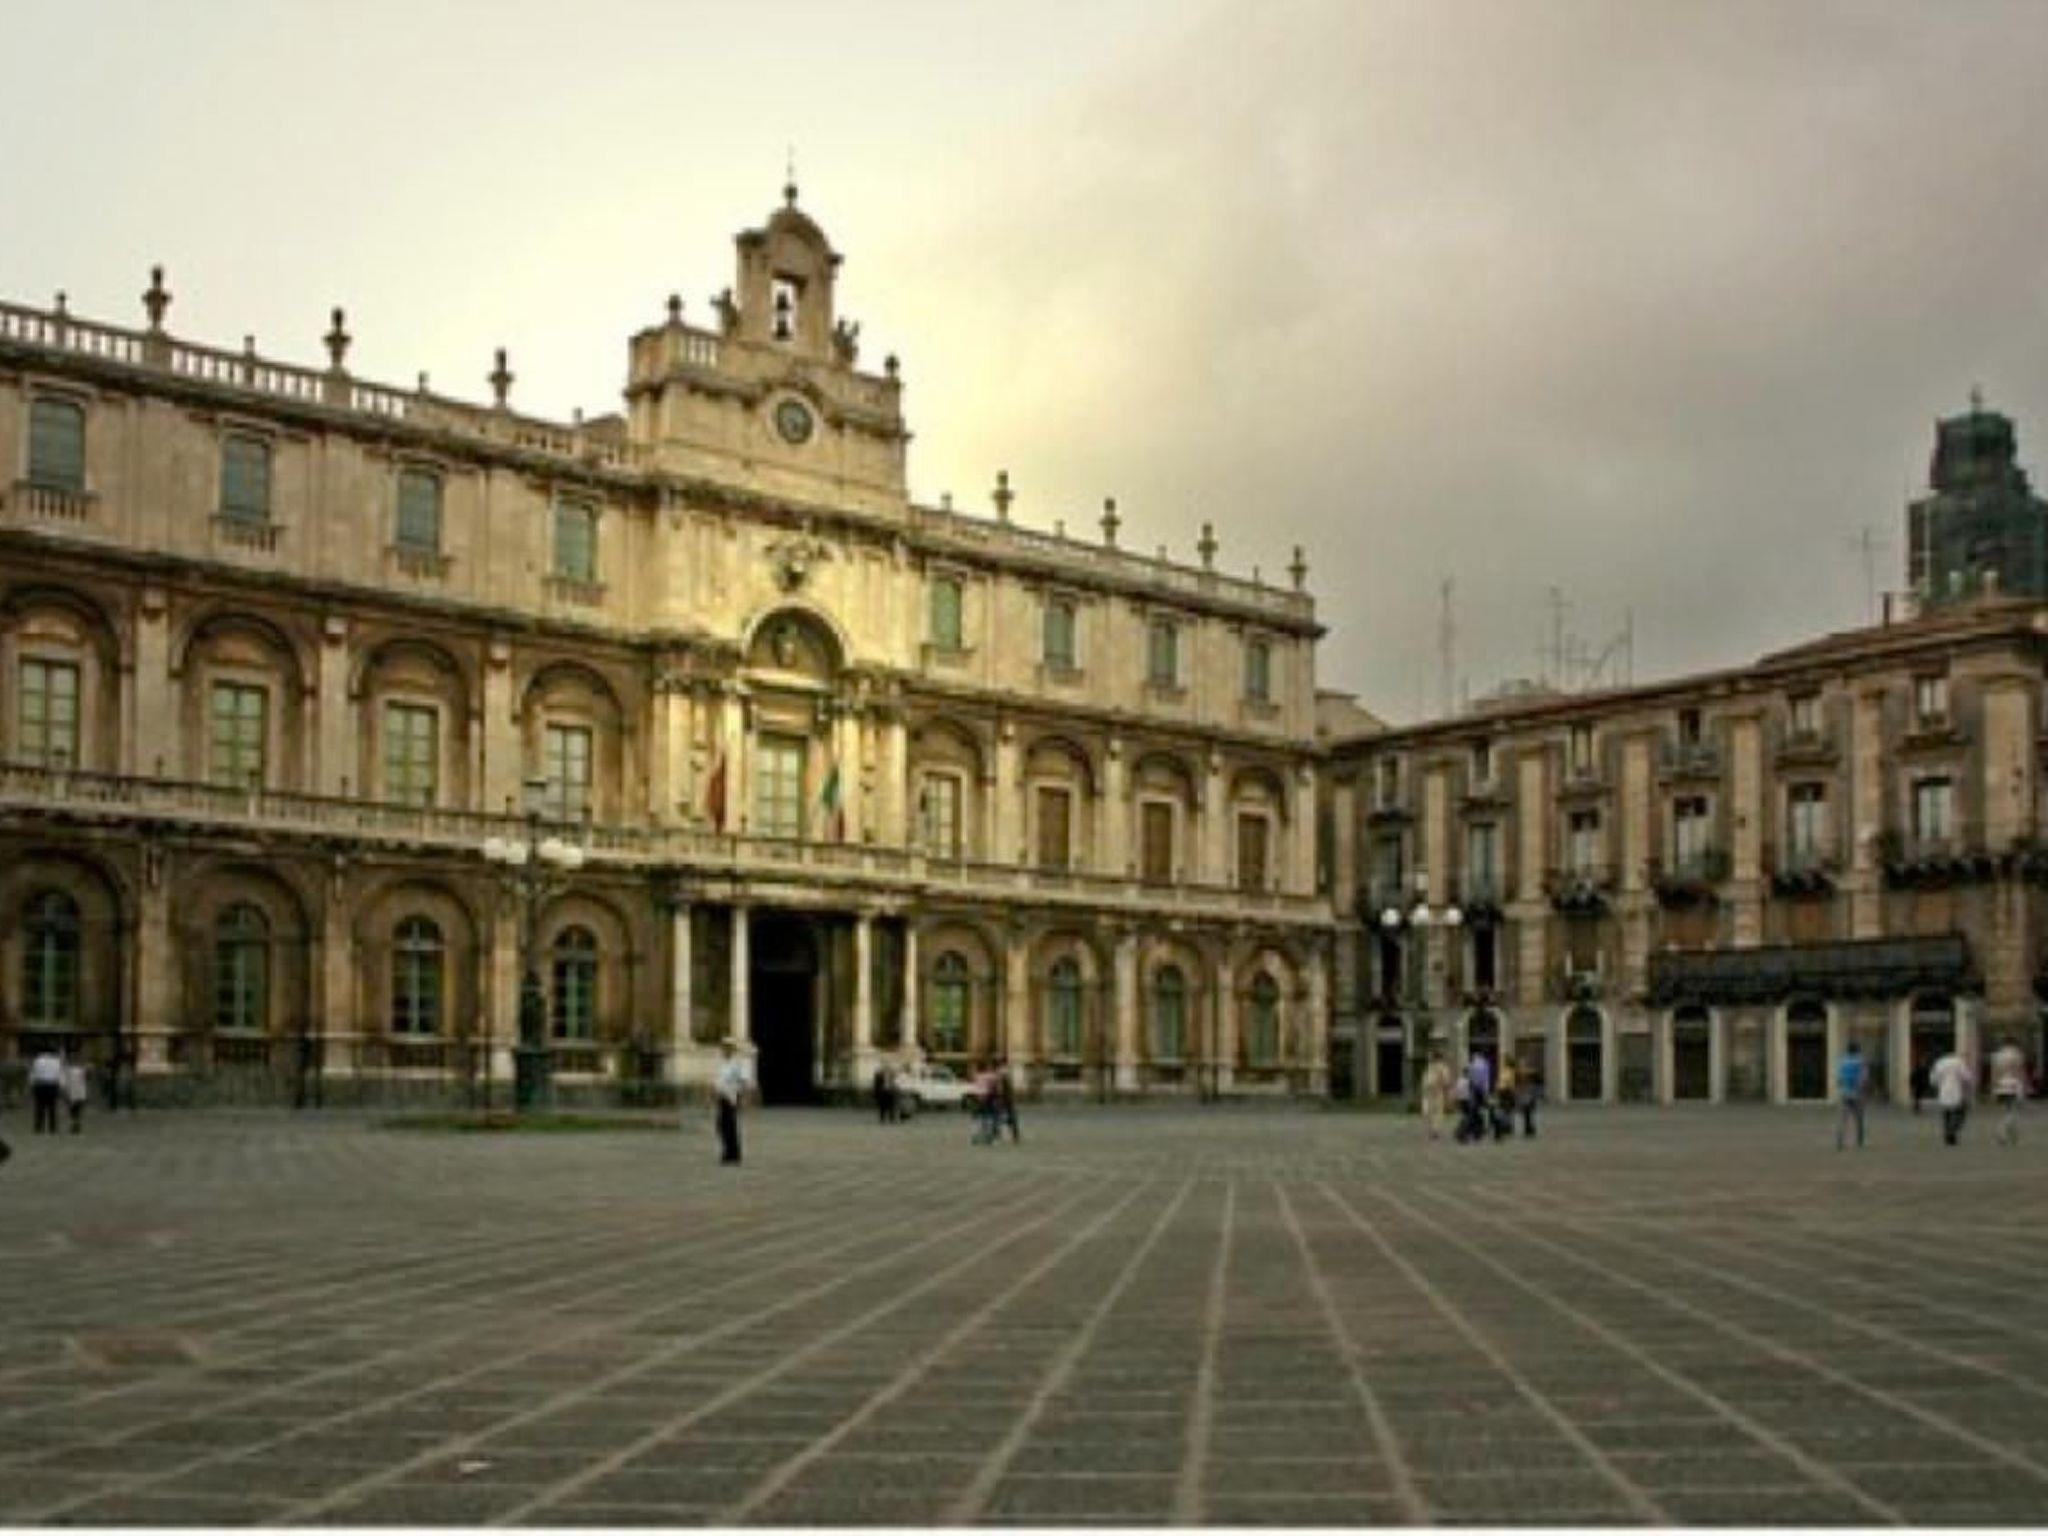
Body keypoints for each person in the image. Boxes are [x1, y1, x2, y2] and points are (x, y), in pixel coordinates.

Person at [714, 1038, 751, 1165]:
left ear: (732, 1049)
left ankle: (734, 1155)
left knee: (731, 1127)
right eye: (723, 1048)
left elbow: (744, 1080)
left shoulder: (737, 1063)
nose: (724, 1050)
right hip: (722, 1097)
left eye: (727, 1048)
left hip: (732, 1097)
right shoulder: (722, 1063)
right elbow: (719, 1081)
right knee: (721, 1126)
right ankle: (726, 1151)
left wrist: (742, 1097)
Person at [1929, 1045, 1971, 1147]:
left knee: (1946, 1114)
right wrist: (1968, 1086)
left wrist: (1936, 1087)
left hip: (1944, 1092)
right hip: (1957, 1091)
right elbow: (1966, 1077)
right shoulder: (1958, 1062)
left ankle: (1948, 1134)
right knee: (1959, 1113)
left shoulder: (1939, 1063)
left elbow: (1933, 1079)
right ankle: (1952, 1132)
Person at [1991, 1036, 2027, 1146]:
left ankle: (2012, 1138)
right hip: (2014, 1085)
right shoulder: (2017, 1054)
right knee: (2013, 1111)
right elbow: (2020, 1071)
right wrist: (2024, 1085)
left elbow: (1994, 1072)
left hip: (2001, 1085)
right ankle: (2001, 1131)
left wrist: (1994, 1086)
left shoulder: (1997, 1055)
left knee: (2007, 1111)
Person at [1834, 1040, 1868, 1150]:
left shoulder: (1842, 1061)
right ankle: (1860, 1140)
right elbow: (1863, 1078)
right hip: (1857, 1093)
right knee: (1859, 1118)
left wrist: (1841, 1087)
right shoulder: (1860, 1061)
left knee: (1843, 1119)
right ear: (1857, 1050)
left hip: (1845, 1093)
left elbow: (1839, 1078)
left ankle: (1840, 1140)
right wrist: (1862, 1089)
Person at [29, 1047, 63, 1136]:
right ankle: (52, 1127)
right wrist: (60, 1086)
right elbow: (59, 1074)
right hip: (52, 1085)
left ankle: (38, 1127)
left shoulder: (37, 1061)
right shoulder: (56, 1061)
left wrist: (32, 1085)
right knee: (52, 1107)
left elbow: (33, 1073)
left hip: (40, 1084)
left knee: (39, 1107)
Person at [1420, 1054, 1452, 1140]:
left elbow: (1425, 1080)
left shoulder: (1430, 1067)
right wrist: (1447, 1093)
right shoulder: (1441, 1067)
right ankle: (1434, 1130)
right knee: (1436, 1112)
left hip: (1430, 1092)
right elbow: (1446, 1081)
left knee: (1431, 1112)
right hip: (1436, 1091)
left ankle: (1432, 1130)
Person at [995, 1058, 1021, 1143]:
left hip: (1004, 1097)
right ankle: (1015, 1135)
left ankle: (997, 1133)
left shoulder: (1001, 1072)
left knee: (998, 1115)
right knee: (1011, 1116)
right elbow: (1009, 1085)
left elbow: (1000, 1087)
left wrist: (999, 1096)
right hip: (1008, 1097)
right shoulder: (1007, 1071)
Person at [62, 1054, 89, 1136]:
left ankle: (74, 1124)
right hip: (79, 1092)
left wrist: (64, 1090)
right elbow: (87, 1078)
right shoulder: (82, 1070)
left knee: (73, 1110)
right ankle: (76, 1124)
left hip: (72, 1092)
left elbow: (64, 1082)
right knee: (77, 1110)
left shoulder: (67, 1071)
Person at [1494, 1058, 1519, 1142]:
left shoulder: (1503, 1071)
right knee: (1508, 1110)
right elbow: (1510, 1084)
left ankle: (1504, 1125)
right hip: (1506, 1092)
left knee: (1504, 1109)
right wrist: (1513, 1094)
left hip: (1501, 1092)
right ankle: (1507, 1126)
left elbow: (1498, 1083)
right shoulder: (1510, 1072)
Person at [1518, 1059, 1541, 1137]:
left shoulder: (1528, 1073)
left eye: (1522, 1064)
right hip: (1526, 1096)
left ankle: (1529, 1128)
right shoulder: (1525, 1073)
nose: (1522, 1066)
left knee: (1528, 1113)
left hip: (1528, 1096)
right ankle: (1528, 1128)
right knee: (1527, 1114)